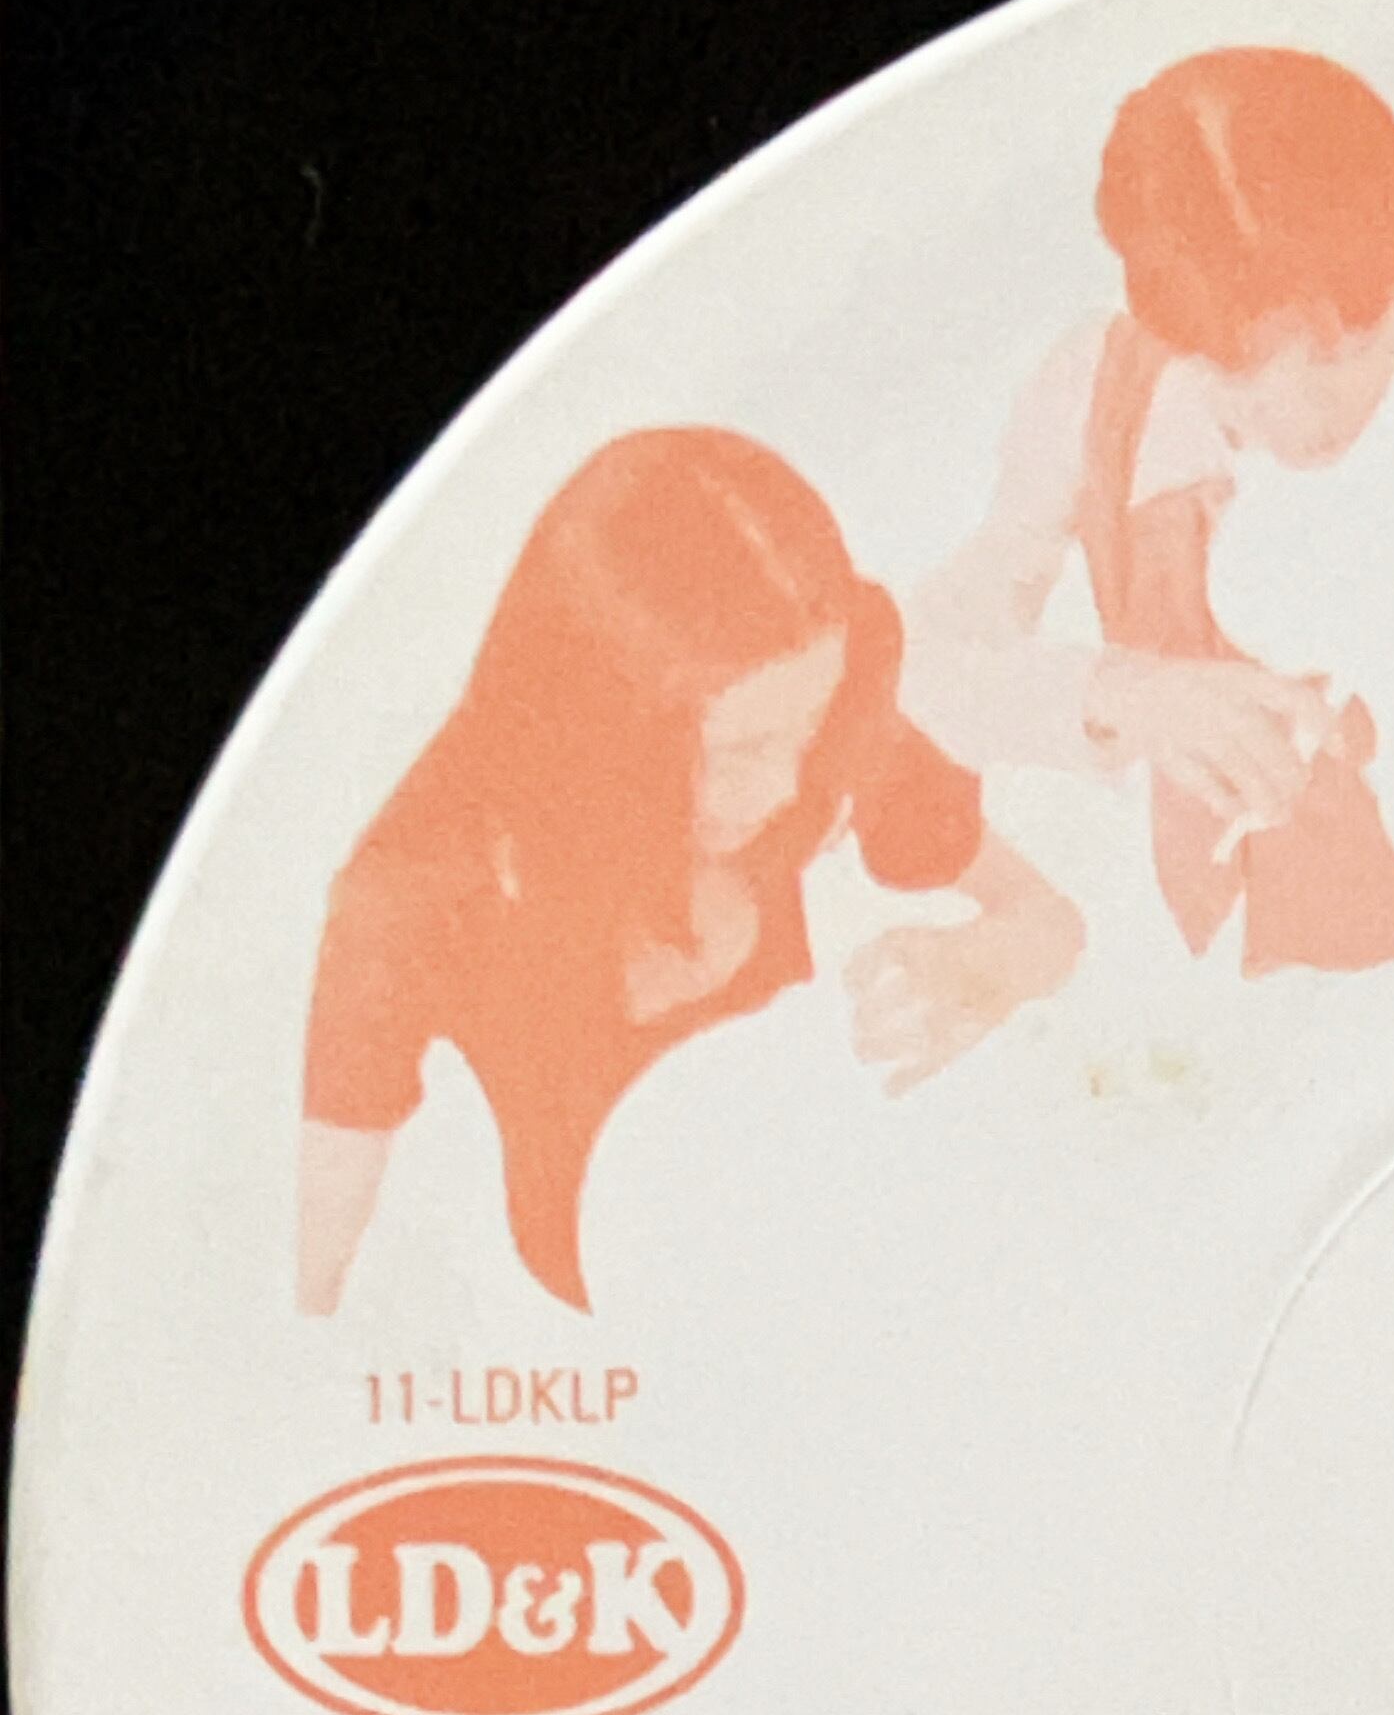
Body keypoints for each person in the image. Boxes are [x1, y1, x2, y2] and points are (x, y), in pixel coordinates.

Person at [297, 427, 1083, 1314]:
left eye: (806, 730)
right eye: (739, 753)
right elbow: (312, 1292)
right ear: (606, 737)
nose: (786, 787)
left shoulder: (808, 723)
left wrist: (992, 964)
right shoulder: (410, 895)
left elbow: (1050, 921)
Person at [906, 45, 1394, 978]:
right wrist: (1122, 695)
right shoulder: (1103, 390)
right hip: (1187, 977)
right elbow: (913, 671)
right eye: (1236, 371)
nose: (1301, 411)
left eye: (1348, 348)